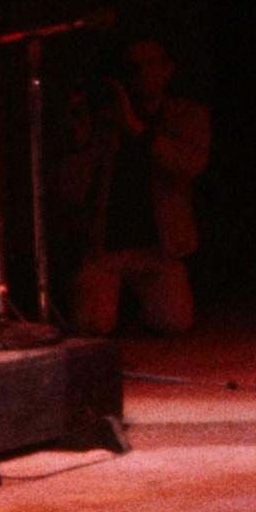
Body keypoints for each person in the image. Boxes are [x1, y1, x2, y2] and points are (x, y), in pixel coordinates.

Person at [54, 37, 211, 336]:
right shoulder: (102, 122)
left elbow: (188, 165)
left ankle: (138, 310)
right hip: (106, 248)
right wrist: (78, 141)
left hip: (160, 248)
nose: (142, 72)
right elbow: (70, 190)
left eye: (151, 64)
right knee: (90, 326)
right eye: (134, 66)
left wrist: (137, 130)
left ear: (168, 69)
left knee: (174, 323)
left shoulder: (187, 115)